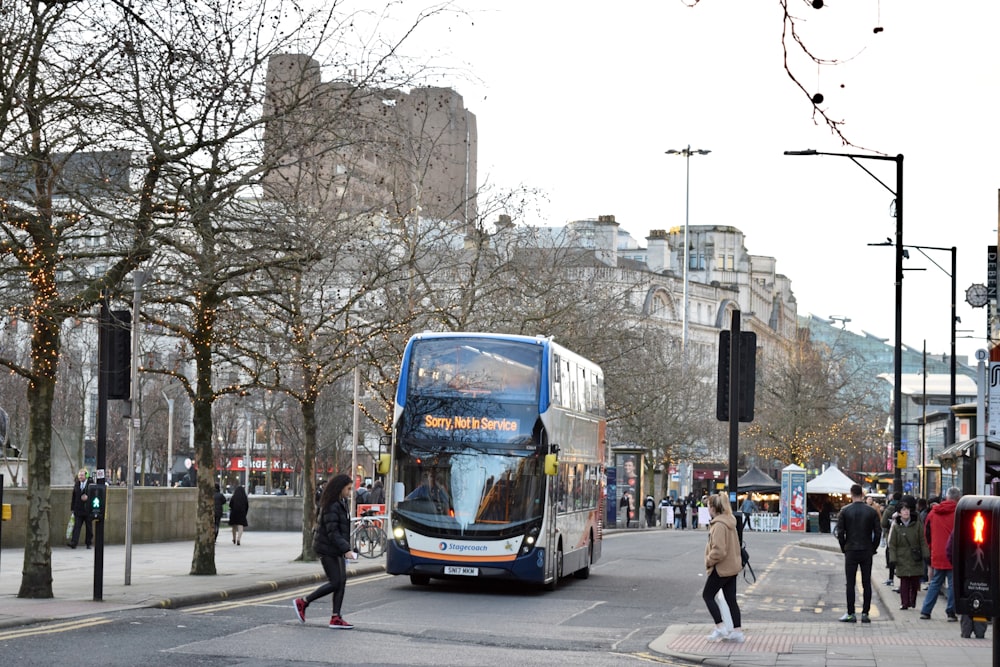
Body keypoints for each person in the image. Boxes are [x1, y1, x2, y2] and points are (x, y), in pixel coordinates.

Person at [293, 473, 357, 629]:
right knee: (335, 582)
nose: (349, 493)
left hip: (336, 549)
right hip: (327, 549)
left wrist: (348, 547)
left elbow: (341, 530)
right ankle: (303, 602)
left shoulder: (341, 502)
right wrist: (346, 549)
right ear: (340, 487)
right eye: (348, 489)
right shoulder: (331, 505)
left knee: (341, 582)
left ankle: (336, 617)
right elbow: (332, 532)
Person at [701, 493, 745, 643]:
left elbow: (719, 550)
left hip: (721, 568)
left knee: (707, 595)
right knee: (731, 599)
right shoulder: (730, 521)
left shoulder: (719, 525)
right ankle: (737, 631)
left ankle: (720, 627)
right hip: (732, 567)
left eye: (708, 506)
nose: (707, 509)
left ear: (713, 508)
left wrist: (709, 560)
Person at [835, 483, 881, 623]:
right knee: (866, 582)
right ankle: (865, 613)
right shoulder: (871, 511)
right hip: (866, 549)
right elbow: (878, 532)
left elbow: (840, 532)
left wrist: (844, 547)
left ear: (851, 494)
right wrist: (873, 548)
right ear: (862, 494)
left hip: (851, 549)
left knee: (850, 583)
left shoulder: (844, 511)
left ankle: (851, 613)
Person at [920, 486, 961, 621]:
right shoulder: (959, 513)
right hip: (953, 553)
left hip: (937, 552)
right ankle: (950, 612)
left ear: (947, 497)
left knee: (935, 582)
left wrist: (932, 547)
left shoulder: (933, 512)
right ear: (958, 498)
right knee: (953, 584)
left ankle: (926, 611)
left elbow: (926, 533)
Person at [887, 501, 928, 610]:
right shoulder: (896, 526)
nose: (906, 512)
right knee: (904, 581)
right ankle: (904, 603)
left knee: (915, 581)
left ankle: (912, 600)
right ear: (899, 513)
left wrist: (926, 554)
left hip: (915, 556)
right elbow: (892, 544)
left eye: (907, 509)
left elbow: (922, 541)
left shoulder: (917, 524)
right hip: (902, 557)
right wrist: (893, 558)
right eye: (903, 510)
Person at [68, 469, 94, 549]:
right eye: (79, 475)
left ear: (86, 476)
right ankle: (74, 543)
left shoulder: (91, 484)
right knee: (76, 526)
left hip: (87, 509)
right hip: (78, 509)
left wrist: (88, 497)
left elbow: (95, 494)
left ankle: (88, 543)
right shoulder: (77, 483)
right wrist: (72, 508)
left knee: (89, 527)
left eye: (82, 475)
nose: (80, 477)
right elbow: (74, 496)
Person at [881, 491, 902, 587]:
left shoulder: (889, 508)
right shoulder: (904, 508)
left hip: (891, 533)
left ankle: (891, 577)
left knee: (890, 553)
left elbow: (883, 523)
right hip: (902, 536)